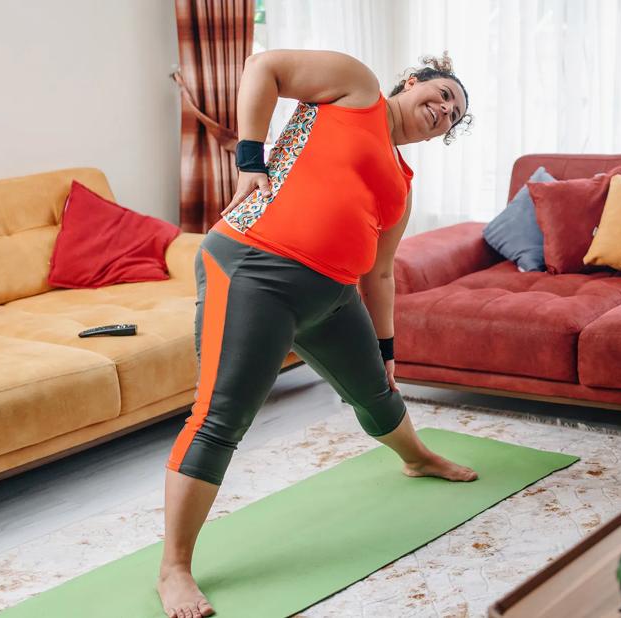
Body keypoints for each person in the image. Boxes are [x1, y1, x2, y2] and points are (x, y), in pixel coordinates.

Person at [157, 49, 474, 618]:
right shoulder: (358, 89)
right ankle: (174, 569)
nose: (445, 110)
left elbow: (379, 274)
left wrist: (387, 349)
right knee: (220, 417)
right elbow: (263, 68)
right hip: (254, 267)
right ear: (413, 81)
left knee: (376, 390)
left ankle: (419, 458)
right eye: (443, 94)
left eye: (454, 115)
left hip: (332, 296)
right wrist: (251, 158)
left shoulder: (402, 184)